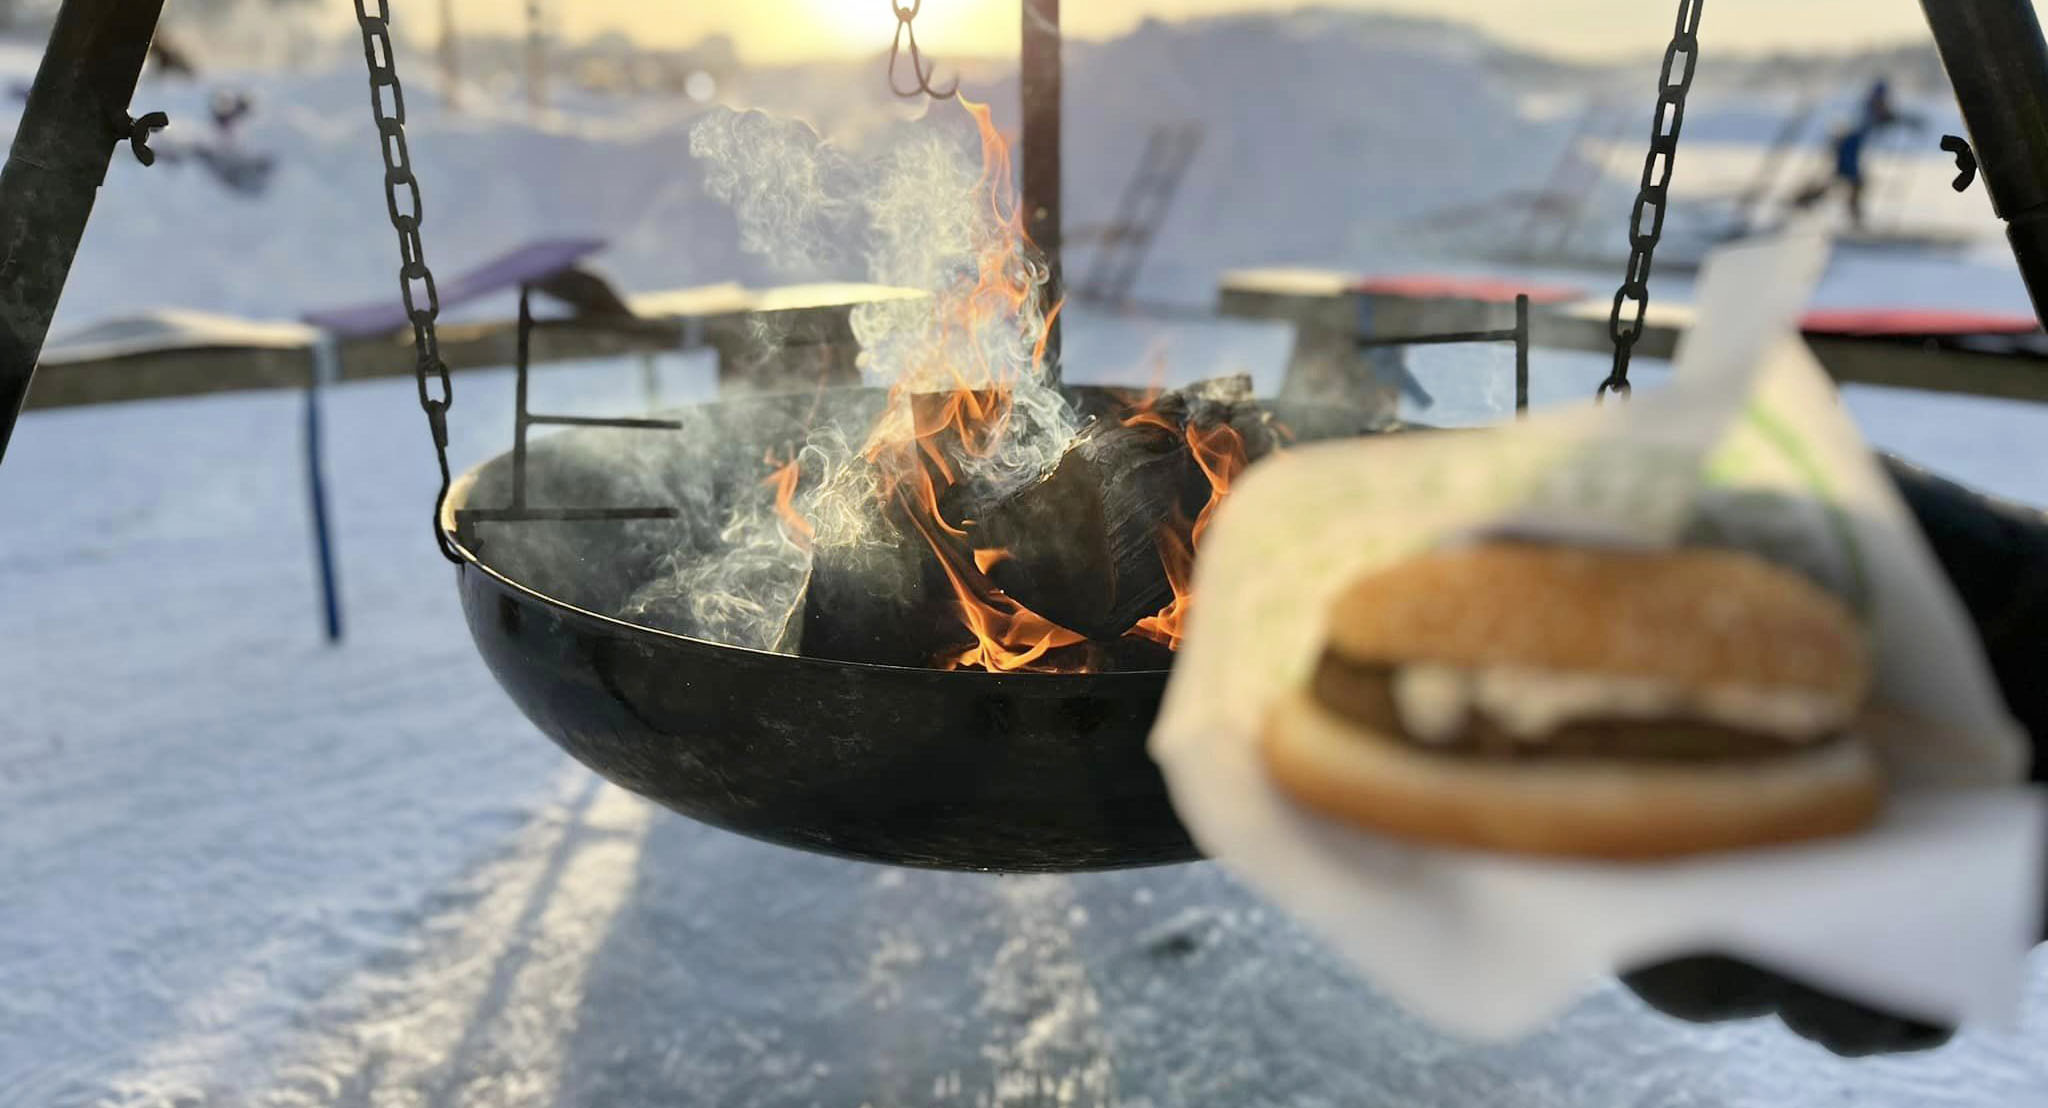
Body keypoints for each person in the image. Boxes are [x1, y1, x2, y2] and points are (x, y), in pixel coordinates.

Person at [1793, 78, 1928, 228]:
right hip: (1846, 148)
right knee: (1852, 181)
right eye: (1882, 98)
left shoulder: (1871, 109)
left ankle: (1806, 200)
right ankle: (1848, 217)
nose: (1884, 102)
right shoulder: (1866, 109)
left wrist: (1911, 122)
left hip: (1849, 148)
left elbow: (1889, 118)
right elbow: (1881, 119)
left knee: (1844, 180)